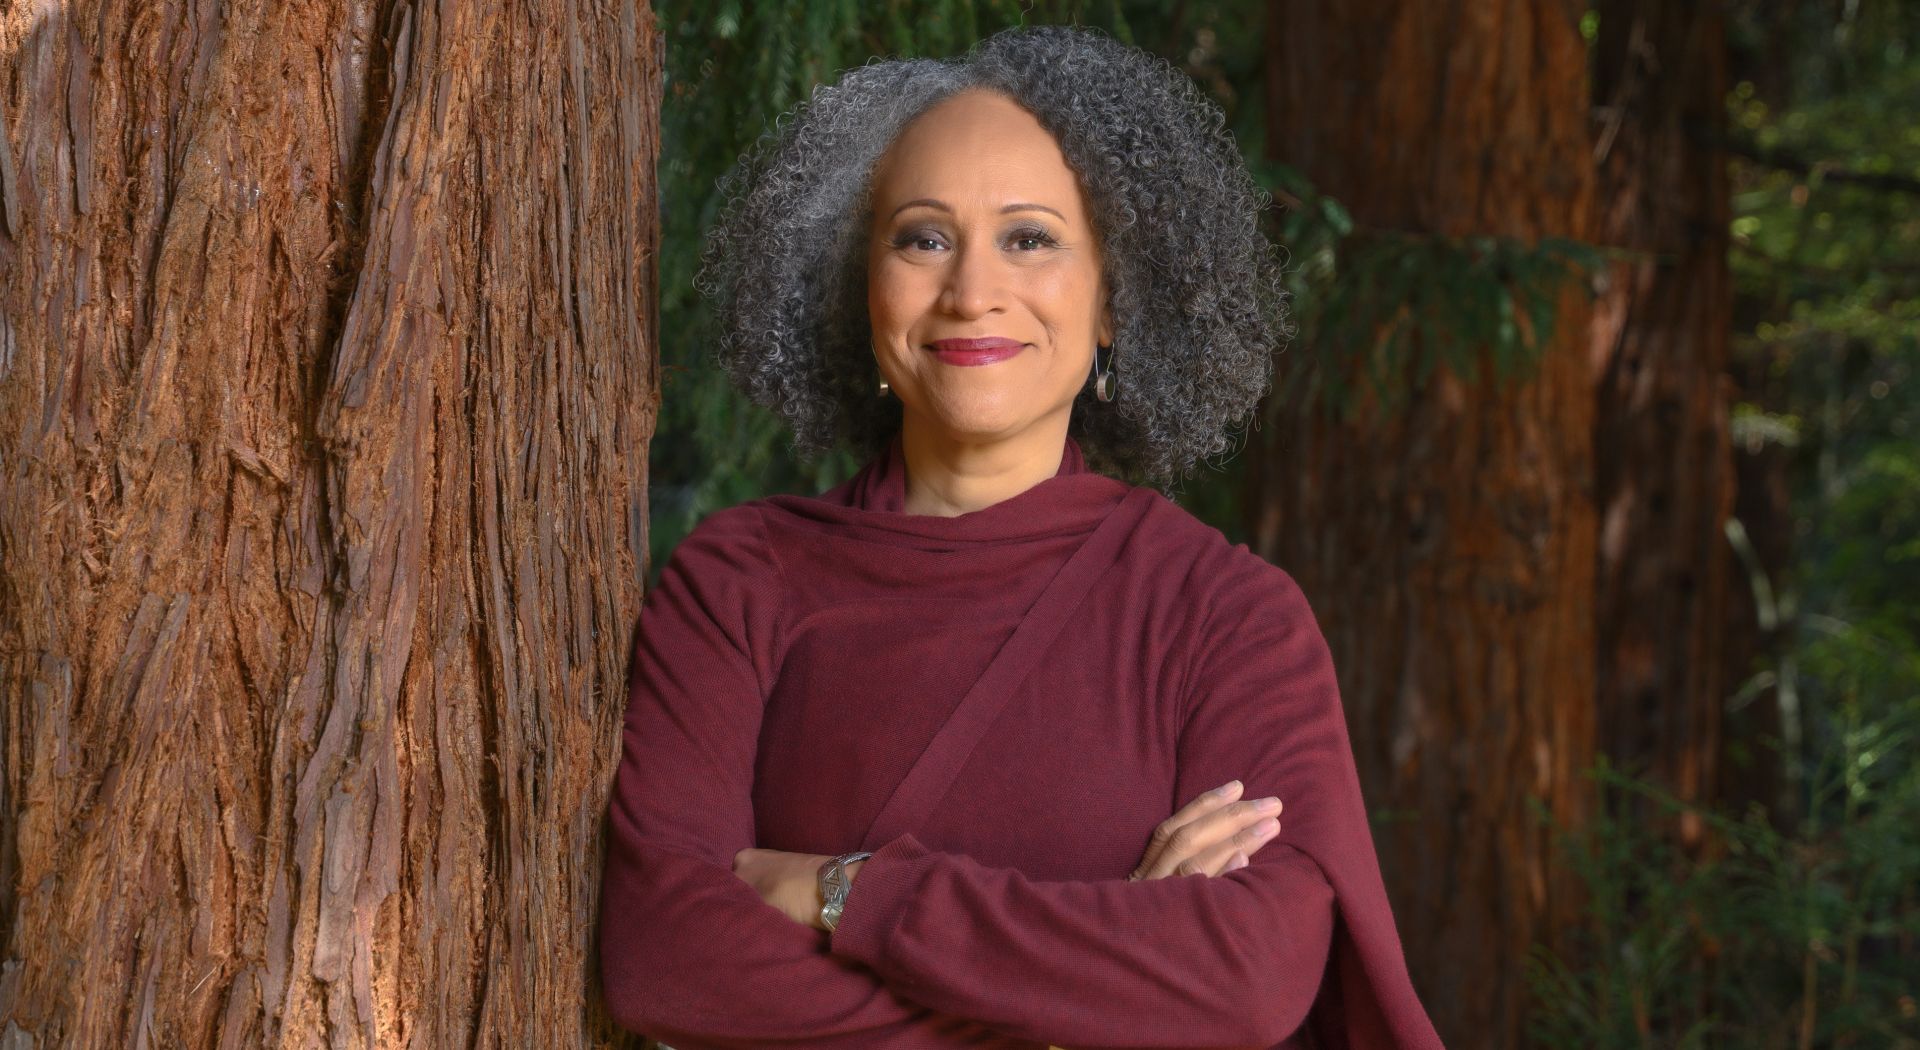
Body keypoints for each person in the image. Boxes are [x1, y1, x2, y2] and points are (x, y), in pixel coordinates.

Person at [598, 24, 1443, 1050]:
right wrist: (1090, 997)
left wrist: (844, 896)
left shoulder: (1229, 619)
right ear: (859, 285)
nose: (971, 292)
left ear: (1115, 303)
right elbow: (666, 964)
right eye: (922, 237)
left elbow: (1249, 976)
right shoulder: (737, 581)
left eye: (1030, 238)